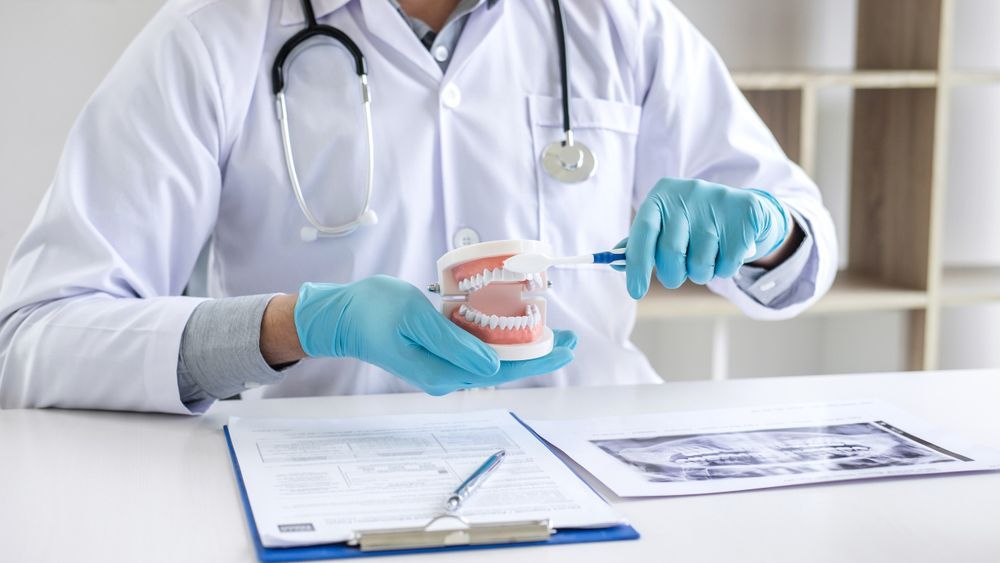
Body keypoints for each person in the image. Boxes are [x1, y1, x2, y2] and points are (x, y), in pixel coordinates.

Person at [0, 0, 836, 414]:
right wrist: (294, 324)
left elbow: (803, 246)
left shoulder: (620, 23)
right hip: (328, 504)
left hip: (599, 483)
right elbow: (33, 338)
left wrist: (762, 229)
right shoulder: (213, 35)